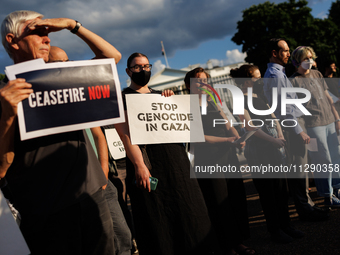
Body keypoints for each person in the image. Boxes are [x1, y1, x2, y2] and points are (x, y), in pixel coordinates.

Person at [0, 10, 121, 254]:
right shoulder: (4, 95)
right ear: (12, 41)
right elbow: (1, 167)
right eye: (37, 31)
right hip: (45, 212)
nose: (48, 38)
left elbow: (112, 57)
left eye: (49, 32)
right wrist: (8, 116)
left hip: (91, 197)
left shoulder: (64, 79)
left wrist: (71, 25)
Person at [115, 53, 217, 255]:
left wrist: (172, 102)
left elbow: (185, 126)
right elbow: (126, 135)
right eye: (137, 67)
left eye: (146, 66)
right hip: (149, 163)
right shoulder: (123, 98)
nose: (143, 70)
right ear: (128, 71)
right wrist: (140, 166)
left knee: (189, 208)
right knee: (157, 215)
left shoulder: (162, 95)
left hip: (176, 161)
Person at [48, 45, 133, 255]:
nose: (66, 67)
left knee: (122, 236)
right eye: (60, 63)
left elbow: (98, 135)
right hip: (70, 187)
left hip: (99, 180)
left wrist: (103, 172)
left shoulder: (78, 94)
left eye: (68, 61)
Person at [184, 67, 256, 255]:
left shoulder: (213, 101)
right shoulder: (186, 107)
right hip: (207, 158)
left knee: (235, 197)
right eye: (198, 80)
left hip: (228, 153)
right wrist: (227, 140)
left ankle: (239, 240)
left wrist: (237, 138)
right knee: (218, 202)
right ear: (189, 85)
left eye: (206, 80)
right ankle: (227, 246)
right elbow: (196, 136)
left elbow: (227, 123)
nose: (203, 84)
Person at [231, 64, 305, 243]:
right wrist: (273, 140)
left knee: (281, 190)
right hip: (259, 151)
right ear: (246, 80)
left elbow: (273, 117)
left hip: (275, 147)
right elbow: (250, 126)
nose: (260, 80)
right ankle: (275, 230)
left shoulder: (261, 95)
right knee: (268, 193)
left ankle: (286, 225)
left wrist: (279, 134)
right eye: (257, 77)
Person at [263, 38, 327, 222]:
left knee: (302, 169)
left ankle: (309, 206)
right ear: (274, 53)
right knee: (298, 171)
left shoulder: (278, 73)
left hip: (295, 124)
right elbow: (284, 108)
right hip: (292, 127)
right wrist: (299, 130)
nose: (288, 54)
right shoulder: (275, 76)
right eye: (285, 50)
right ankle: (305, 210)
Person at [290, 46, 340, 208]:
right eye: (306, 58)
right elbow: (294, 110)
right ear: (298, 60)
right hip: (312, 126)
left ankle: (337, 190)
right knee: (322, 160)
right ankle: (327, 195)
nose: (309, 61)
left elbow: (328, 99)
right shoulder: (293, 81)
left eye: (311, 57)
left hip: (330, 121)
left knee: (335, 157)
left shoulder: (317, 74)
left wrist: (337, 119)